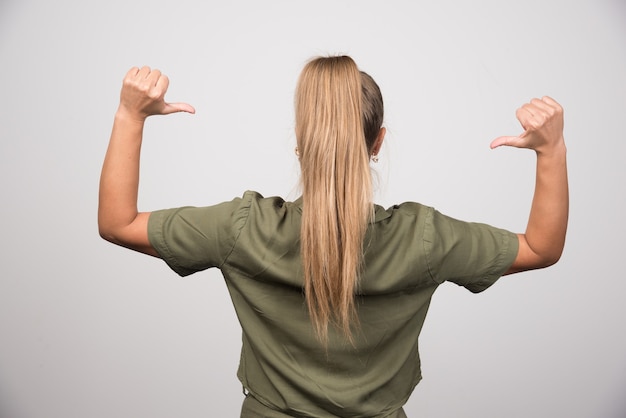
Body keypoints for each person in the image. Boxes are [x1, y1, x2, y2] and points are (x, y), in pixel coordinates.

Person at [98, 56, 568, 418]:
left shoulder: (244, 229)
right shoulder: (422, 239)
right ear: (377, 142)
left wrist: (129, 114)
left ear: (301, 142)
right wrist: (551, 149)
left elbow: (117, 223)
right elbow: (541, 247)